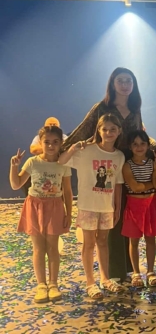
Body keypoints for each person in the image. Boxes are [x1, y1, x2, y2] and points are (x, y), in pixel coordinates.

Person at [62, 67, 143, 283]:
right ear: (112, 83)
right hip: (106, 163)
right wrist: (57, 151)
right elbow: (82, 131)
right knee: (111, 221)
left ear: (133, 85)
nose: (124, 85)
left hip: (127, 165)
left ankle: (126, 267)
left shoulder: (135, 109)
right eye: (120, 80)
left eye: (128, 81)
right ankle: (113, 273)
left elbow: (140, 135)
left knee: (123, 216)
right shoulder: (101, 108)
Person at [59, 114, 126, 299]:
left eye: (113, 129)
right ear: (99, 130)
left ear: (119, 131)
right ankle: (90, 282)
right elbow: (62, 161)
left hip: (106, 207)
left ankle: (105, 279)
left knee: (103, 242)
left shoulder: (119, 156)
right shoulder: (86, 151)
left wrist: (117, 208)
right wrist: (73, 147)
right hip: (88, 205)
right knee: (88, 244)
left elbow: (118, 184)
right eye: (105, 129)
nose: (109, 133)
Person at [9, 126, 72, 303]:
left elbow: (67, 191)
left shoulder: (64, 164)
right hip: (34, 206)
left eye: (55, 142)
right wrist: (14, 166)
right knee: (38, 248)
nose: (51, 146)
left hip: (55, 206)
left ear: (61, 143)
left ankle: (53, 284)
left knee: (52, 247)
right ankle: (41, 285)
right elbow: (16, 184)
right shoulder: (32, 162)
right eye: (47, 142)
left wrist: (69, 213)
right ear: (40, 143)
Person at [121, 130, 156, 288]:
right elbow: (135, 187)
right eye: (135, 144)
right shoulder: (127, 165)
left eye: (142, 143)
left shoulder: (152, 163)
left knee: (150, 239)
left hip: (151, 204)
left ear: (147, 146)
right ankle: (136, 273)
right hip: (134, 204)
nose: (139, 147)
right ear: (130, 146)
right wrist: (151, 184)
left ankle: (151, 272)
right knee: (134, 240)